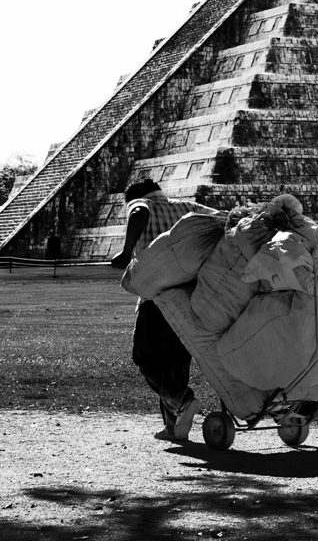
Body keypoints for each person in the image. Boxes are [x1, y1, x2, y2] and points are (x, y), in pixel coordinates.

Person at [110, 178, 217, 441]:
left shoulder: (141, 203)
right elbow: (224, 220)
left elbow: (138, 213)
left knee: (147, 357)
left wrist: (126, 253)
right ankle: (173, 427)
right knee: (176, 362)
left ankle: (181, 399)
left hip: (157, 297)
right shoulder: (189, 207)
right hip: (191, 297)